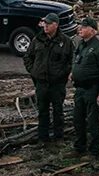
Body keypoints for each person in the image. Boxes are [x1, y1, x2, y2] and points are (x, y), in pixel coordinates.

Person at [24, 12, 73, 143]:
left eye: (48, 24)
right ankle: (43, 138)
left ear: (55, 25)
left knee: (58, 111)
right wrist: (33, 71)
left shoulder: (66, 42)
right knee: (42, 112)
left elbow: (71, 61)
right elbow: (28, 57)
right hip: (41, 83)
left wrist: (63, 74)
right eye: (44, 23)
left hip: (57, 84)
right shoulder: (37, 40)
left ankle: (58, 138)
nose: (45, 26)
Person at [70, 16, 99, 158]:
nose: (80, 29)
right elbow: (77, 62)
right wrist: (73, 73)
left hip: (92, 90)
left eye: (84, 27)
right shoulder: (81, 45)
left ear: (93, 30)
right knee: (78, 120)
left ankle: (94, 151)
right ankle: (80, 147)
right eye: (80, 27)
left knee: (92, 122)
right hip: (80, 89)